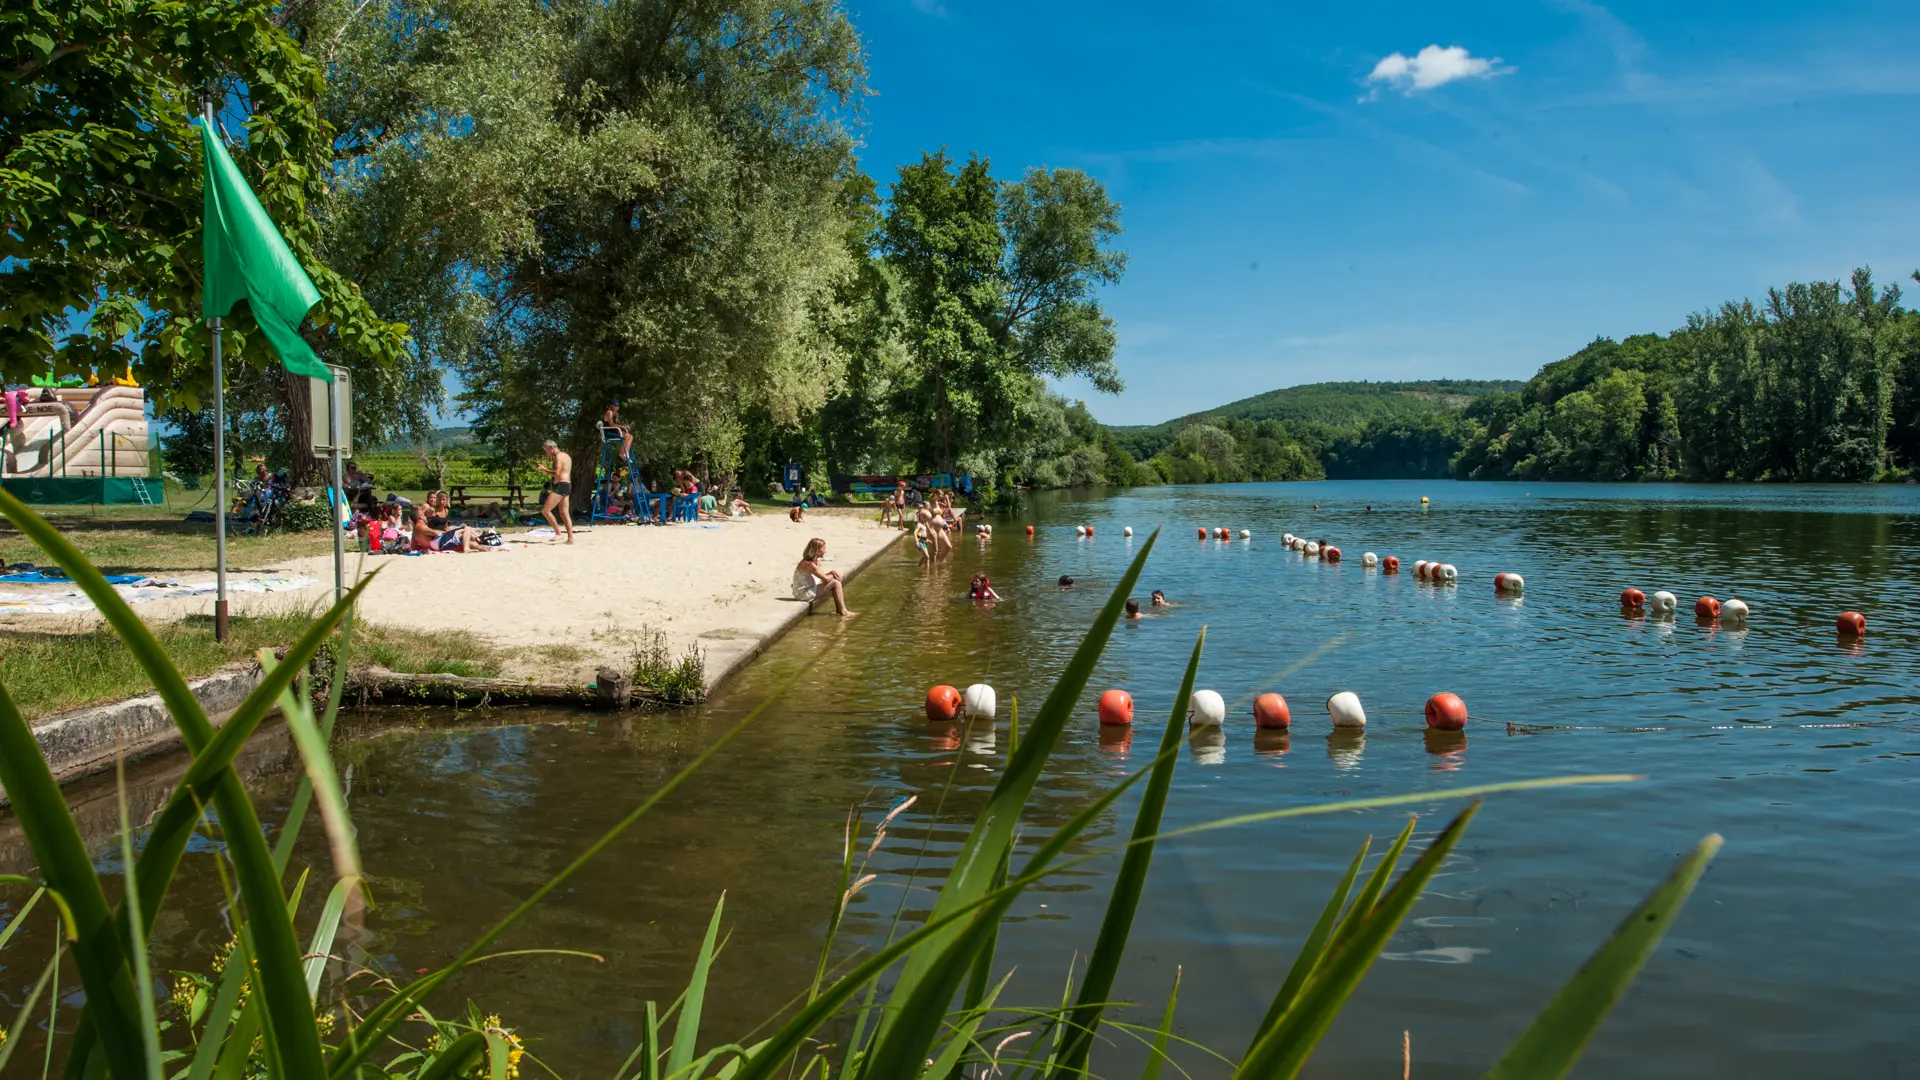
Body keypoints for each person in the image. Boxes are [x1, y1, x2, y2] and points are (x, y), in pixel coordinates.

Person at [792, 537, 855, 616]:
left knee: (834, 582)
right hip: (802, 594)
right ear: (817, 551)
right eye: (824, 549)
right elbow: (825, 578)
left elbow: (823, 577)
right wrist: (833, 575)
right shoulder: (809, 564)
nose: (825, 551)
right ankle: (843, 611)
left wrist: (831, 573)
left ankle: (840, 610)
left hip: (805, 589)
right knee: (835, 583)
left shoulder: (812, 561)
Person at [535, 439, 574, 544]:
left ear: (551, 448)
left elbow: (557, 473)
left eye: (546, 450)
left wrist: (544, 469)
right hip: (567, 485)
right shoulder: (566, 456)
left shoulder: (558, 456)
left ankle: (558, 533)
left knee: (545, 510)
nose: (546, 453)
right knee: (564, 513)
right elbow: (562, 472)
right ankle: (570, 539)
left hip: (561, 486)